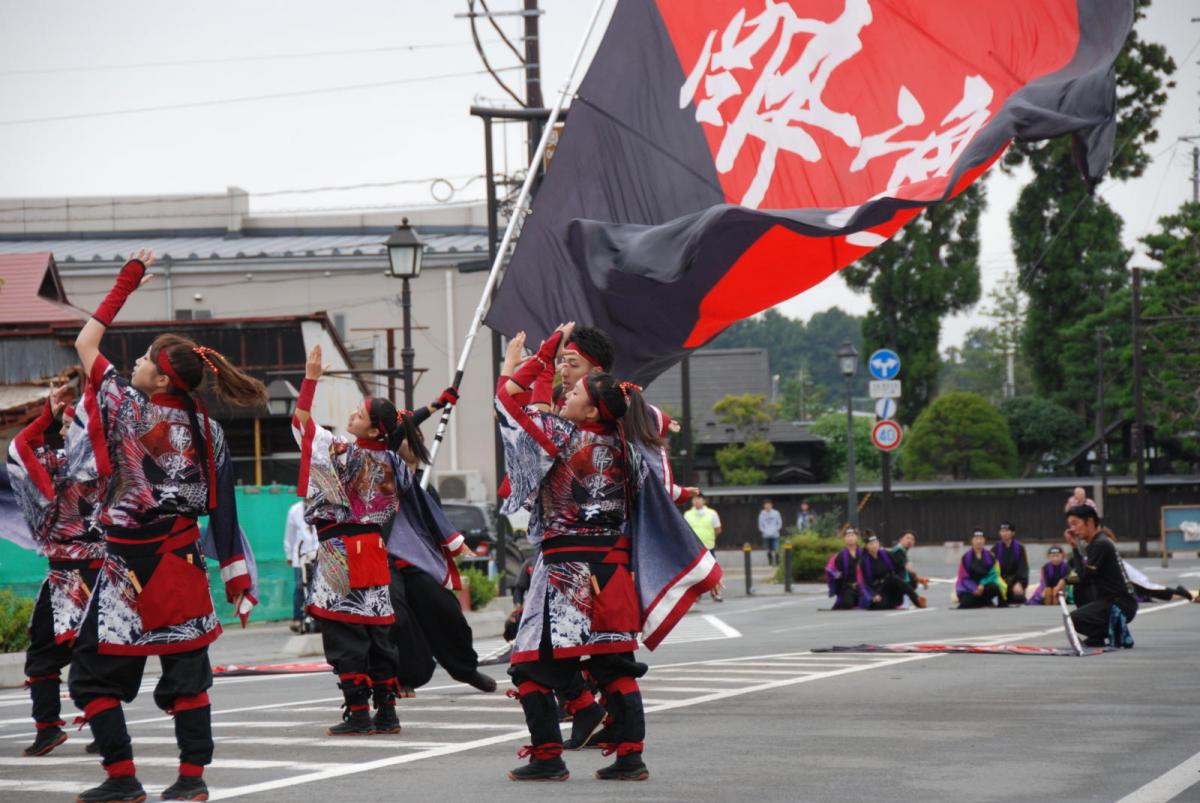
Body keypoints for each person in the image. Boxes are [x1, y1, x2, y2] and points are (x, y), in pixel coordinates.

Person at [68, 250, 263, 803]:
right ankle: (191, 781)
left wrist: (125, 282)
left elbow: (87, 342)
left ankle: (123, 777)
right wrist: (234, 574)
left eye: (146, 358)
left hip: (126, 571)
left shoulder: (127, 408)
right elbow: (223, 510)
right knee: (187, 677)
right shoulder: (209, 431)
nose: (136, 363)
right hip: (180, 566)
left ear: (161, 374)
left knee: (90, 676)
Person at [495, 326, 720, 782]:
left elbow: (507, 399)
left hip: (564, 571)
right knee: (613, 664)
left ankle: (547, 756)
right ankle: (631, 756)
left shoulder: (559, 435)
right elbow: (658, 489)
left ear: (593, 406)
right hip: (611, 569)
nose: (566, 391)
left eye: (574, 389)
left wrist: (536, 356)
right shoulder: (626, 447)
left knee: (528, 665)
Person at [292, 343, 411, 738]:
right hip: (374, 552)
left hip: (339, 551)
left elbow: (302, 425)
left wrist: (310, 381)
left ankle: (359, 712)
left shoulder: (342, 452)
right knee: (376, 631)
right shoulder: (395, 463)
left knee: (344, 632)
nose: (351, 415)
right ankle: (388, 712)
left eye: (359, 414)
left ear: (375, 428)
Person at [6, 384, 105, 758]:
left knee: (44, 657)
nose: (64, 435)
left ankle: (48, 728)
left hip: (67, 575)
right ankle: (103, 726)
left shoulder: (59, 465)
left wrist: (45, 415)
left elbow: (18, 449)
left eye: (68, 428)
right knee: (95, 655)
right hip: (105, 574)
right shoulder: (114, 461)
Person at [387, 400, 497, 697]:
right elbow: (394, 432)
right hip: (386, 561)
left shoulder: (424, 488)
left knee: (445, 611)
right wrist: (432, 408)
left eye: (417, 436)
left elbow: (436, 528)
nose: (414, 439)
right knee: (398, 618)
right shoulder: (383, 469)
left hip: (417, 563)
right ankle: (404, 677)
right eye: (408, 435)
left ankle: (465, 669)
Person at [1063, 506, 1136, 648]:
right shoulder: (1095, 543)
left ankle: (1115, 629)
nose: (1072, 529)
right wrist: (1065, 581)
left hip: (1119, 604)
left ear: (1089, 521)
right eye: (1069, 525)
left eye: (1075, 523)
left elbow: (1083, 575)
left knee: (1073, 619)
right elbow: (1082, 575)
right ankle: (1096, 637)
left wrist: (1073, 548)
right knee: (1079, 588)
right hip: (1110, 599)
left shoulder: (1100, 544)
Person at [856, 534, 926, 610]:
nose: (874, 545)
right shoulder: (863, 562)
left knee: (895, 578)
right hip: (876, 589)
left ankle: (917, 600)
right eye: (871, 544)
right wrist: (873, 596)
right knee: (879, 605)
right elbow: (862, 584)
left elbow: (900, 567)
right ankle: (894, 602)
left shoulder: (885, 554)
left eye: (876, 542)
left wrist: (916, 578)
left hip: (889, 584)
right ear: (866, 546)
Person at [284, 500, 319, 634]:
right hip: (300, 555)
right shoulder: (295, 510)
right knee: (300, 586)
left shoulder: (321, 506)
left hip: (317, 554)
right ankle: (298, 618)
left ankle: (317, 617)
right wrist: (289, 553)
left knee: (317, 587)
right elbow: (290, 534)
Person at [684, 494, 724, 601]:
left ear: (704, 500)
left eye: (699, 499)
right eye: (694, 499)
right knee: (695, 573)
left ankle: (716, 593)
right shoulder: (687, 514)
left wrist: (710, 538)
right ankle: (696, 595)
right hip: (693, 549)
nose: (696, 501)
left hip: (708, 547)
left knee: (713, 572)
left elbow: (718, 529)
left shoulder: (712, 513)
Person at [956, 529, 1005, 608]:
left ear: (984, 540)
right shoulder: (966, 557)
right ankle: (984, 602)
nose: (979, 541)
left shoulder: (990, 556)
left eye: (981, 539)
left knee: (994, 587)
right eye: (976, 539)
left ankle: (984, 601)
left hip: (985, 586)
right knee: (966, 602)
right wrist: (973, 588)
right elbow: (963, 577)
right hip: (970, 588)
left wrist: (983, 584)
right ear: (972, 541)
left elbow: (994, 573)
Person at [824, 527, 862, 610]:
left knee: (870, 603)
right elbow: (833, 570)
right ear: (845, 539)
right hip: (848, 587)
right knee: (847, 604)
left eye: (852, 535)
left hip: (862, 586)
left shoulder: (863, 553)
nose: (851, 538)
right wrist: (836, 575)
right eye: (848, 536)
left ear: (856, 538)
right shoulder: (840, 555)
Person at [992, 522, 1029, 604]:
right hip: (1001, 581)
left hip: (1014, 581)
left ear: (1013, 533)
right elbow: (992, 570)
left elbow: (1023, 568)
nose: (1004, 533)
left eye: (1007, 531)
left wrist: (1019, 583)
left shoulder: (1019, 548)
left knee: (1018, 598)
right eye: (1002, 531)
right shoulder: (995, 549)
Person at [889, 530, 929, 596]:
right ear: (901, 539)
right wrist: (920, 579)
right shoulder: (899, 550)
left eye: (912, 539)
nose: (909, 541)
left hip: (900, 584)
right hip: (898, 585)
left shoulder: (901, 550)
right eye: (907, 538)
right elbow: (908, 569)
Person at [758, 499, 783, 566]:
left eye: (769, 504)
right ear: (764, 506)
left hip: (775, 535)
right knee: (768, 550)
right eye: (766, 505)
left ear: (771, 505)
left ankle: (777, 561)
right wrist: (764, 531)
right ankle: (770, 562)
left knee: (776, 548)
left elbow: (779, 523)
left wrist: (776, 530)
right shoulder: (762, 514)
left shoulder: (776, 513)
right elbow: (760, 525)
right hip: (766, 535)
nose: (768, 506)